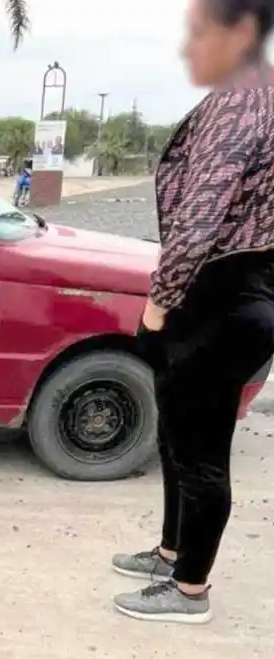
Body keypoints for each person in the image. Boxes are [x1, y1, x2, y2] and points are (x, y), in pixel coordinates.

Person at [112, 0, 274, 624]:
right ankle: (171, 551)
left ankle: (189, 591)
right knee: (180, 438)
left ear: (242, 32)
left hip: (218, 298)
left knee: (201, 452)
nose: (188, 49)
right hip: (235, 295)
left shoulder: (241, 103)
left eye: (198, 33)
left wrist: (158, 306)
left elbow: (198, 220)